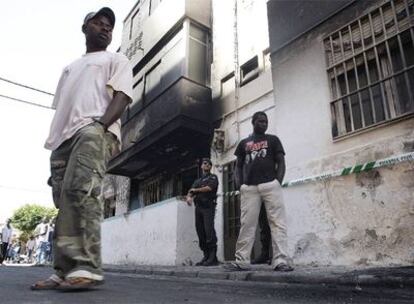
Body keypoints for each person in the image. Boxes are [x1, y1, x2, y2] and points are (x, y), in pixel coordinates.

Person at [31, 7, 133, 291]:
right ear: (85, 27)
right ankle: (63, 270)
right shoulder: (70, 68)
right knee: (63, 202)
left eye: (109, 27)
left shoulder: (117, 59)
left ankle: (87, 267)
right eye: (98, 23)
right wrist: (56, 144)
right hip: (63, 140)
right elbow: (63, 107)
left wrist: (100, 126)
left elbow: (123, 96)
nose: (105, 29)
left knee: (82, 192)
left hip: (93, 129)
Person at [227, 111, 294, 272]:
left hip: (270, 185)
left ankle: (280, 261)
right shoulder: (243, 143)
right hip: (249, 188)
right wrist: (240, 184)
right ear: (253, 122)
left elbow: (281, 162)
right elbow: (239, 166)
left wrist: (278, 182)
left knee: (277, 223)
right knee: (247, 224)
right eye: (261, 121)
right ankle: (241, 261)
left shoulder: (273, 140)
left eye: (266, 122)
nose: (264, 124)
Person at [186, 158, 219, 266]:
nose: (204, 165)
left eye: (206, 164)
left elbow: (209, 188)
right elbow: (190, 191)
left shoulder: (213, 177)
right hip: (198, 208)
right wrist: (189, 197)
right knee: (200, 232)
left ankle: (213, 257)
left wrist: (195, 191)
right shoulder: (198, 181)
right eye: (203, 164)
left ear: (210, 166)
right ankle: (206, 255)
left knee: (209, 231)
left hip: (208, 207)